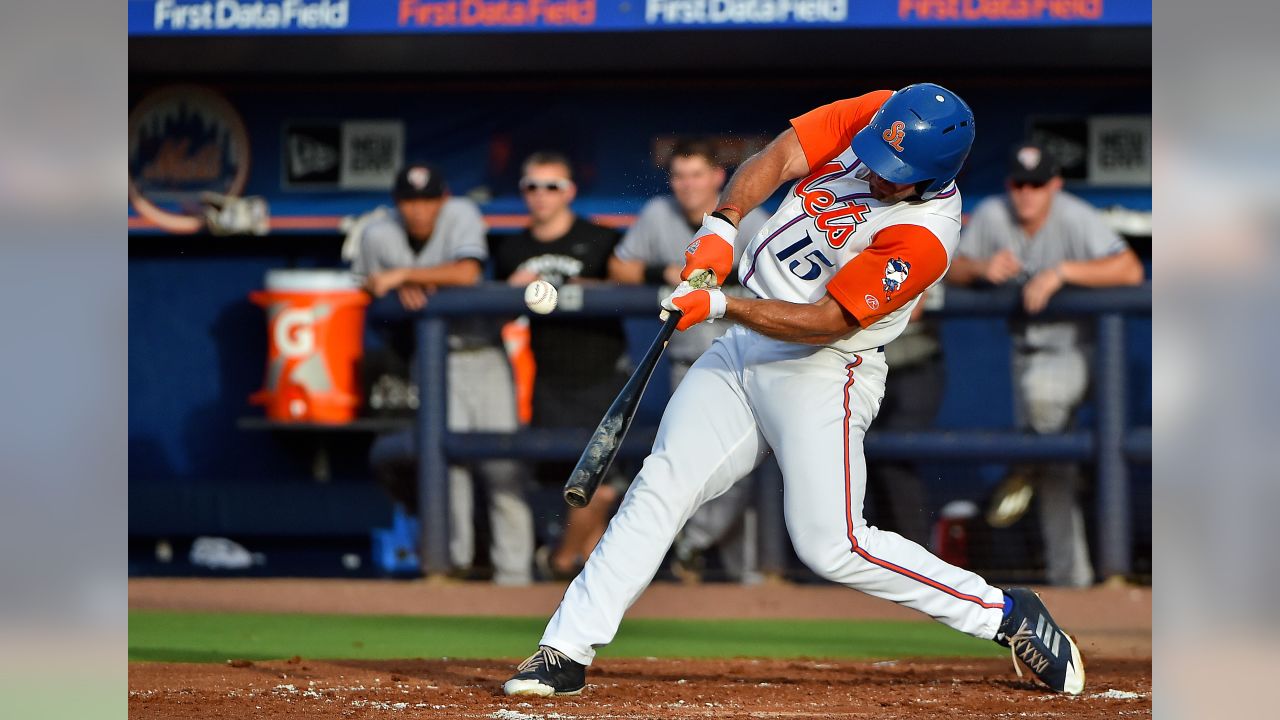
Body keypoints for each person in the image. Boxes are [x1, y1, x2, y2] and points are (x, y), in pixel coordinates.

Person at [503, 85, 1085, 697]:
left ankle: (1004, 614)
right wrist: (722, 226)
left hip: (825, 368)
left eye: (896, 175)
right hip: (745, 346)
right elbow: (782, 156)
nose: (880, 177)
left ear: (934, 175)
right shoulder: (881, 112)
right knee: (661, 483)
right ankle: (564, 649)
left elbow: (830, 320)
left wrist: (723, 303)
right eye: (878, 160)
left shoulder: (927, 233)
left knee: (832, 545)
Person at [947, 142, 1145, 587]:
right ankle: (1070, 579)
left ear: (1054, 184)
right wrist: (979, 267)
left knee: (1045, 413)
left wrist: (1063, 273)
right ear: (1008, 184)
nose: (1027, 194)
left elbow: (1131, 271)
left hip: (1077, 352)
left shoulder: (1075, 216)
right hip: (1025, 354)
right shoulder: (995, 215)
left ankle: (1027, 463)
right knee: (1058, 468)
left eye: (1037, 184)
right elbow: (948, 268)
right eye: (1020, 183)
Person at [355, 162, 534, 586]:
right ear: (398, 203)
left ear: (443, 197)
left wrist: (406, 275)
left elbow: (466, 272)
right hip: (432, 362)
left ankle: (515, 573)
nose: (419, 210)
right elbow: (367, 285)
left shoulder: (461, 215)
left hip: (483, 352)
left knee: (502, 467)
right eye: (410, 201)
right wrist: (398, 289)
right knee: (445, 467)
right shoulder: (378, 234)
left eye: (428, 200)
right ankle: (449, 567)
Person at [608, 139, 771, 582]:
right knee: (689, 462)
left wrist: (722, 278)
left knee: (737, 470)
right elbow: (619, 268)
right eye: (679, 176)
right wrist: (657, 271)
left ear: (719, 177)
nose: (687, 185)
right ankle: (711, 562)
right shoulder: (659, 215)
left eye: (696, 175)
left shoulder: (753, 219)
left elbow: (782, 281)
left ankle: (696, 546)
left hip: (745, 359)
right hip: (688, 363)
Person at [492, 151, 630, 579]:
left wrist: (575, 285)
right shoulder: (513, 248)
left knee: (603, 486)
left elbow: (628, 285)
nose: (540, 196)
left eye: (551, 186)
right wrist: (508, 293)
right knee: (561, 484)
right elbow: (490, 314)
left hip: (602, 374)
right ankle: (580, 567)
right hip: (549, 379)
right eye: (531, 186)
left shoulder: (599, 239)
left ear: (569, 191)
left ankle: (557, 561)